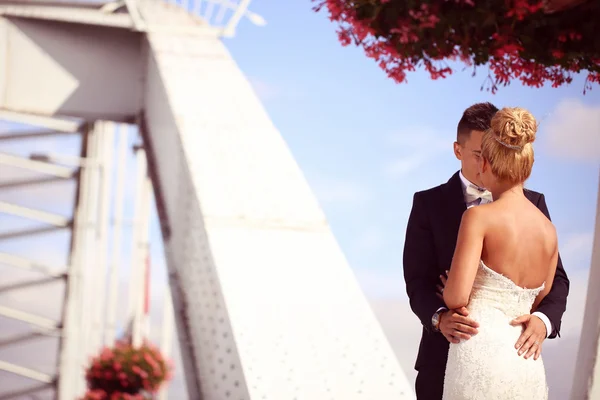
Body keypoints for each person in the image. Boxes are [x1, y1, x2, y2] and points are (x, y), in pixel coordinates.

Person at [402, 102, 570, 400]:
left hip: (516, 351)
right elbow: (416, 280)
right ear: (458, 151)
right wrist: (439, 317)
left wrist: (543, 321)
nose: (485, 163)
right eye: (479, 154)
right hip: (442, 359)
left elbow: (557, 280)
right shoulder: (427, 203)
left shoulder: (536, 204)